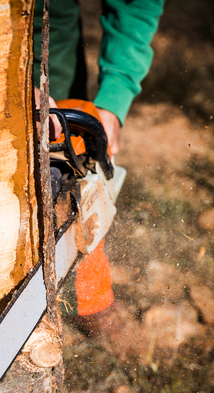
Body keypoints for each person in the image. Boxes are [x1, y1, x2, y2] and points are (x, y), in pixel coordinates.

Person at [33, 0, 164, 358]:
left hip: (52, 42)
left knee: (75, 185)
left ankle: (90, 299)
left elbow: (137, 5)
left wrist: (114, 97)